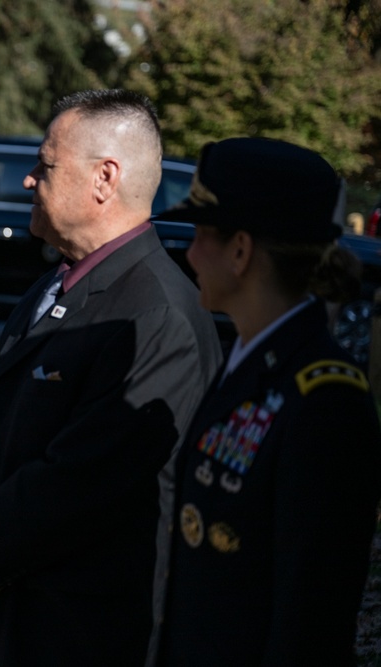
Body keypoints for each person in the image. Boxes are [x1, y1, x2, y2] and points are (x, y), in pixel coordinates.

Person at [0, 89, 223, 665]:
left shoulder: (155, 312)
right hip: (20, 605)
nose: (30, 179)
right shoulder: (58, 283)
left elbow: (88, 476)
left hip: (91, 627)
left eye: (46, 164)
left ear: (104, 178)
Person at [152, 137, 381, 666]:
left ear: (240, 250)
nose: (188, 252)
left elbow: (310, 622)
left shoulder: (325, 401)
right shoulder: (247, 361)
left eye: (201, 234)